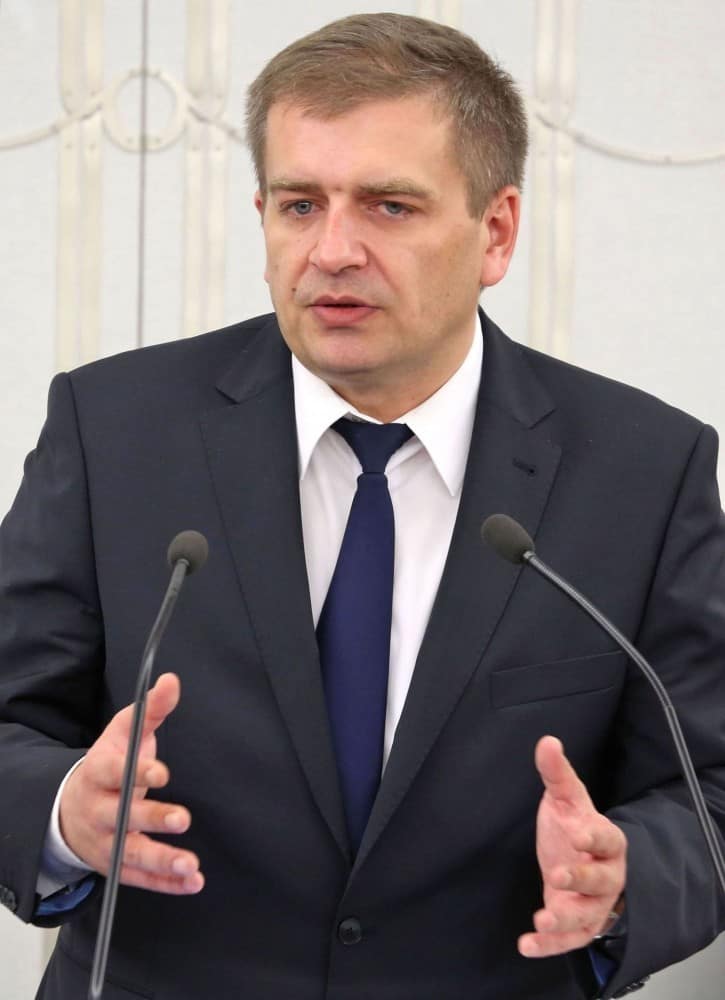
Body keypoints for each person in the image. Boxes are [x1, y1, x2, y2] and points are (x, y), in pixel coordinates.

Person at [0, 12, 724, 1000]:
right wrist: (60, 813)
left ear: (496, 231)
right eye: (299, 204)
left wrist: (627, 877)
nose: (332, 250)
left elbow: (707, 785)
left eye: (388, 206)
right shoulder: (113, 429)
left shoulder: (642, 469)